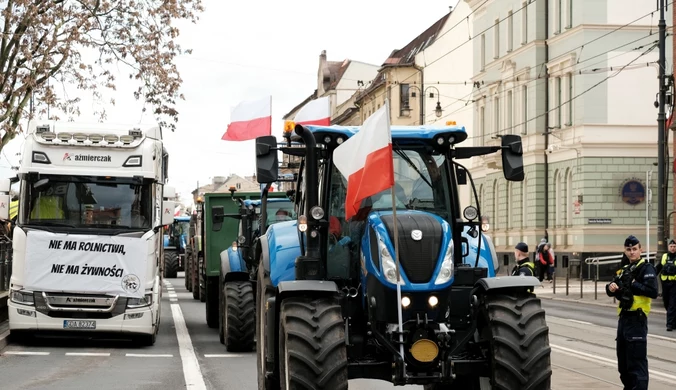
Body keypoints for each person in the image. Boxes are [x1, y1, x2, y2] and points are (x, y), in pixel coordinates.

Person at [605, 235, 658, 390]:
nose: (631, 252)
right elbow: (611, 287)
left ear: (640, 250)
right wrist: (611, 288)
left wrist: (634, 284)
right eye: (628, 249)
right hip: (624, 320)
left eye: (634, 249)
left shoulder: (646, 268)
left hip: (637, 320)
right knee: (624, 364)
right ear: (625, 251)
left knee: (637, 364)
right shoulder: (624, 269)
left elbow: (653, 291)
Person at [656, 239, 676, 331]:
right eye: (671, 246)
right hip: (665, 283)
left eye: (674, 247)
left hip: (674, 284)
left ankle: (669, 324)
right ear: (668, 247)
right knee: (666, 303)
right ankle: (674, 321)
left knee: (672, 304)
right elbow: (659, 267)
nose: (673, 248)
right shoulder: (664, 256)